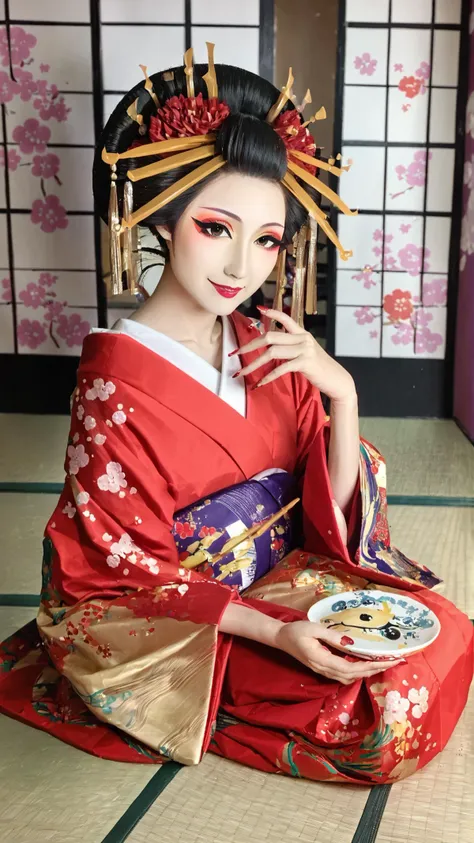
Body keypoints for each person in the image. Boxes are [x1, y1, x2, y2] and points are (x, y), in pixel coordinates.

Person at [0, 46, 472, 784]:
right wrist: (277, 632)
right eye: (215, 228)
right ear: (156, 216)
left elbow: (330, 510)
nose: (240, 268)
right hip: (194, 623)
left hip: (287, 583)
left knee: (447, 636)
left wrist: (342, 392)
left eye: (265, 241)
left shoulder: (264, 341)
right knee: (387, 712)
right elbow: (116, 575)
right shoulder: (113, 389)